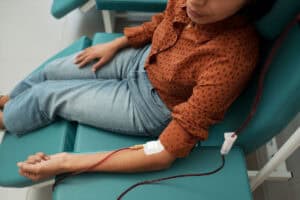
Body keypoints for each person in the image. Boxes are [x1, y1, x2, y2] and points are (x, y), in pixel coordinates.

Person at [0, 0, 274, 181]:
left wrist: (66, 163)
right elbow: (160, 22)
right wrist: (118, 44)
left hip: (150, 105)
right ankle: (12, 102)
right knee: (51, 70)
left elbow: (165, 152)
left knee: (47, 95)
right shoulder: (190, 4)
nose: (195, 0)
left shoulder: (231, 58)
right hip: (143, 59)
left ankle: (7, 118)